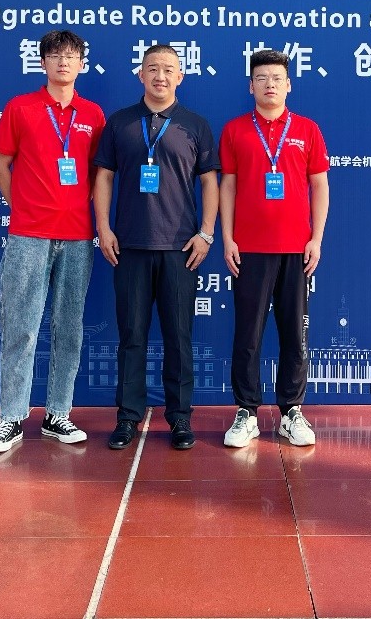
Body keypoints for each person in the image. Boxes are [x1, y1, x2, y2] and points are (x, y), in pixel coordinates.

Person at [0, 30, 105, 453]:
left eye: (71, 56)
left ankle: (58, 413)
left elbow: (98, 174)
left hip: (77, 236)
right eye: (55, 55)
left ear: (81, 64)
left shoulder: (93, 114)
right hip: (28, 235)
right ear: (43, 63)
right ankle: (11, 417)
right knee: (21, 325)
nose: (63, 62)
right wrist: (22, 206)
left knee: (69, 327)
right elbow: (1, 164)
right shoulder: (20, 108)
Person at [93, 44, 219, 450]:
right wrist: (103, 228)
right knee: (131, 335)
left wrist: (206, 233)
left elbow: (210, 182)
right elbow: (104, 177)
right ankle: (128, 417)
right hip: (129, 245)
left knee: (179, 337)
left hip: (180, 248)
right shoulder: (120, 123)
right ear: (141, 75)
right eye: (152, 69)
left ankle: (180, 418)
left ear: (180, 76)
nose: (160, 76)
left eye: (168, 69)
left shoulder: (196, 125)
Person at [219, 48, 330, 448]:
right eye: (262, 78)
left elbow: (320, 185)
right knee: (247, 334)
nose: (270, 84)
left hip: (296, 249)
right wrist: (227, 237)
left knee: (294, 334)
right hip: (249, 248)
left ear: (289, 85)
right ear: (251, 86)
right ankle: (246, 412)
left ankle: (291, 411)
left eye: (277, 78)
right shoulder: (235, 130)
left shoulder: (307, 129)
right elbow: (227, 186)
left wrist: (316, 239)